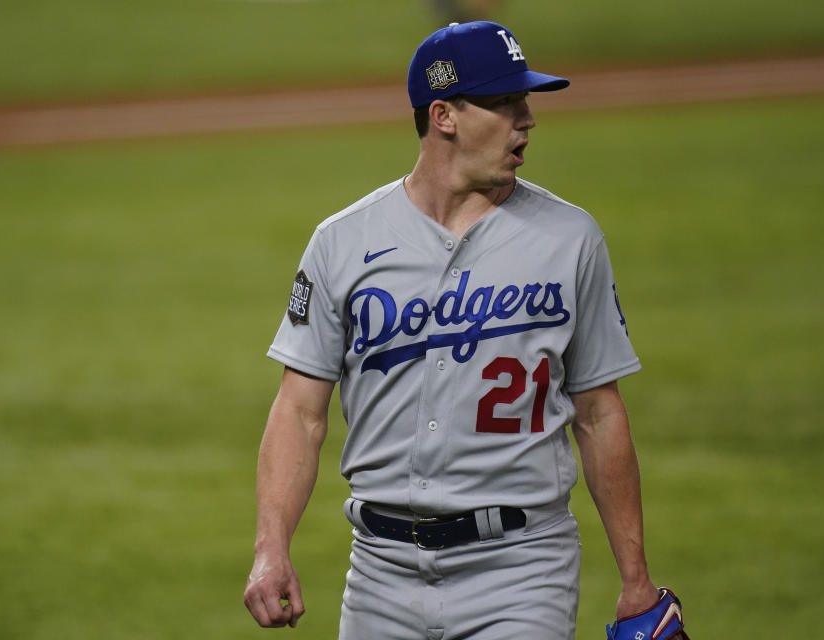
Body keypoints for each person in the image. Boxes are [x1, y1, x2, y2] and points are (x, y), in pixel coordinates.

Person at [244, 21, 664, 639]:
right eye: (503, 103)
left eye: (527, 102)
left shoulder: (570, 240)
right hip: (379, 574)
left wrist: (636, 582)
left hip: (523, 570)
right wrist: (270, 546)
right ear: (444, 115)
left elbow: (599, 413)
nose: (527, 119)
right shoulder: (342, 242)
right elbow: (299, 411)